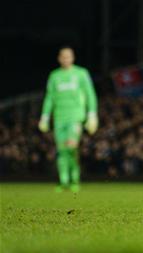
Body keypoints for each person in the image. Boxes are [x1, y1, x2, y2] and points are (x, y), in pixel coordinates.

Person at [38, 46, 98, 192]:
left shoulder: (81, 73)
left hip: (75, 117)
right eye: (63, 56)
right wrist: (45, 116)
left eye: (68, 56)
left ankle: (74, 179)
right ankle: (63, 181)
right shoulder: (54, 76)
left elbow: (90, 94)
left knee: (71, 147)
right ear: (59, 58)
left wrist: (92, 114)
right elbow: (49, 97)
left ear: (73, 58)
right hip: (59, 118)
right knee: (61, 150)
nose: (66, 59)